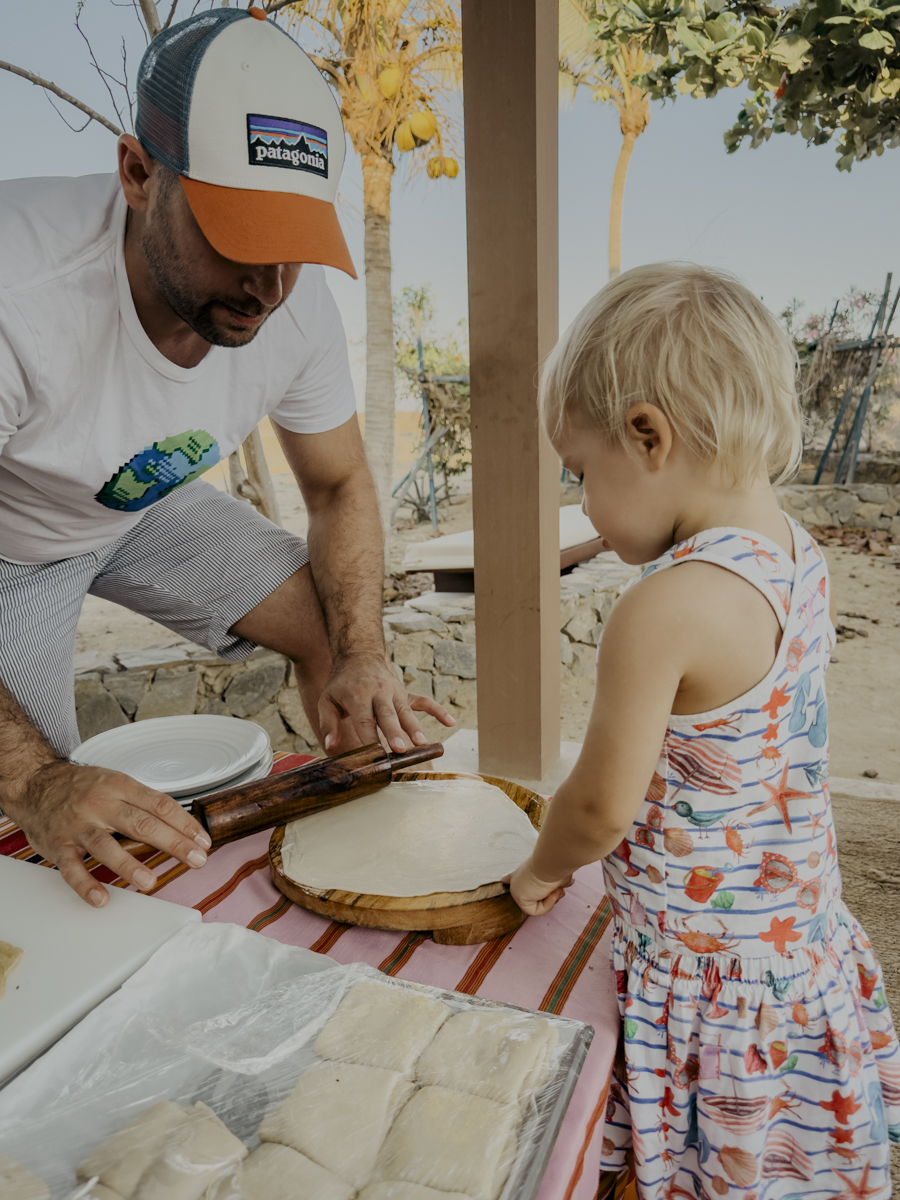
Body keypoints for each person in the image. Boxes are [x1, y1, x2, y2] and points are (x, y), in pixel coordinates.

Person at [0, 7, 450, 908]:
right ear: (138, 174)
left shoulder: (293, 302)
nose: (268, 286)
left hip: (141, 502)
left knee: (339, 625)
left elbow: (339, 483)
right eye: (239, 238)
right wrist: (38, 781)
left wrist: (361, 653)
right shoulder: (20, 290)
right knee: (35, 824)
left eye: (291, 244)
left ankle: (361, 877)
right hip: (12, 549)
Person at [506, 263, 900, 1198]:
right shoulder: (798, 558)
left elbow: (601, 804)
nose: (584, 505)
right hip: (798, 951)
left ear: (648, 436)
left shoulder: (665, 607)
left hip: (710, 984)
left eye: (581, 471)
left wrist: (540, 867)